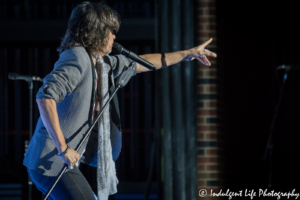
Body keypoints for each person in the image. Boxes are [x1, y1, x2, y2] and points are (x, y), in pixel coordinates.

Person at [23, 1, 217, 200]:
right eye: (111, 31)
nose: (115, 36)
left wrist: (187, 54)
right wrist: (63, 148)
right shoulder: (78, 57)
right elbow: (45, 97)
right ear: (96, 31)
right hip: (49, 162)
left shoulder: (101, 62)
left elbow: (141, 63)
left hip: (58, 162)